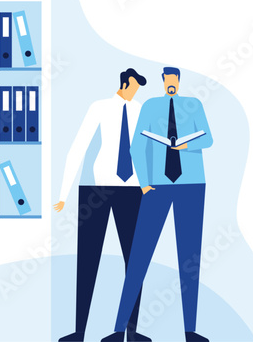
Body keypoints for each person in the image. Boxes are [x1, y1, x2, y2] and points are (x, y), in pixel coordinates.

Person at [102, 67, 213, 342]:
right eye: (168, 81)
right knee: (139, 257)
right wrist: (143, 183)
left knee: (190, 259)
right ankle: (118, 330)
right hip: (157, 187)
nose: (172, 84)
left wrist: (185, 147)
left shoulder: (194, 105)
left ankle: (190, 331)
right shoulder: (151, 107)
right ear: (163, 82)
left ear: (179, 82)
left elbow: (208, 139)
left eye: (175, 80)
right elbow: (136, 147)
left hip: (191, 185)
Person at [55, 69, 151, 342]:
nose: (136, 91)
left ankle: (131, 332)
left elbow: (146, 150)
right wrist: (64, 193)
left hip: (133, 190)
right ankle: (80, 332)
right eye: (134, 86)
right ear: (124, 83)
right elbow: (78, 147)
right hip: (96, 190)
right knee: (87, 260)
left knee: (134, 262)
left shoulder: (140, 109)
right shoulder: (99, 107)